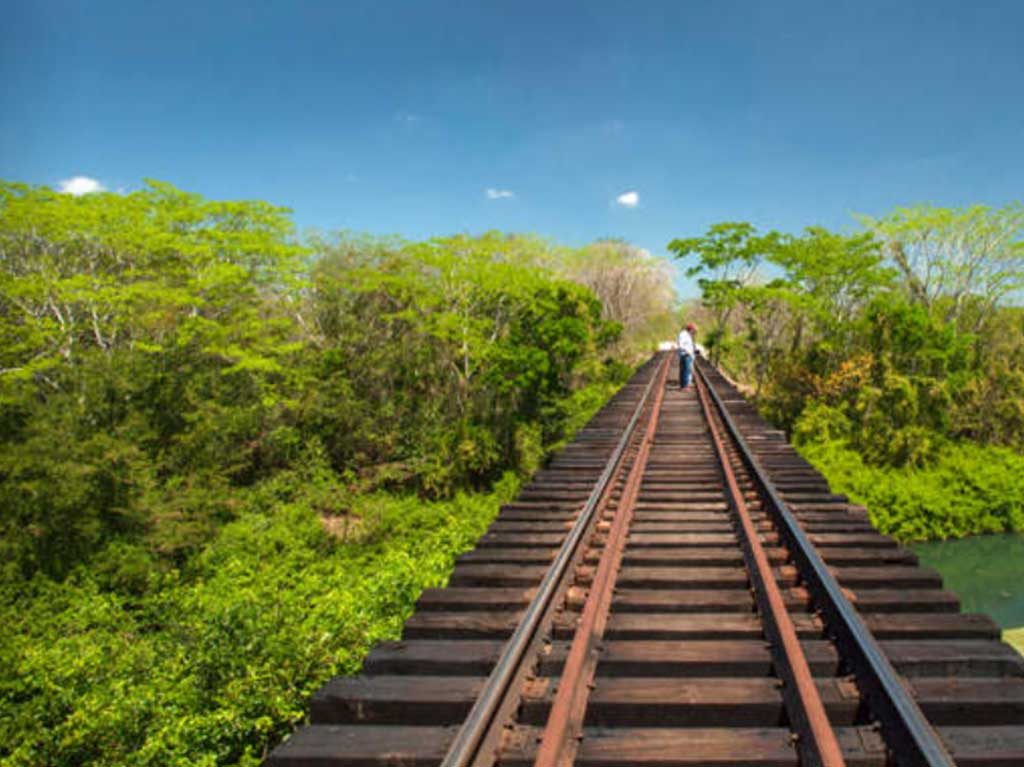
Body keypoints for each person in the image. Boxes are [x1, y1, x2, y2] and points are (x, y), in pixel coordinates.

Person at [677, 322, 697, 389]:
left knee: (685, 370)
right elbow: (681, 345)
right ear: (690, 329)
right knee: (686, 370)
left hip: (687, 355)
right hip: (685, 355)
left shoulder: (688, 335)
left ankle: (685, 385)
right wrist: (687, 351)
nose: (694, 331)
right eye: (693, 330)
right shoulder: (683, 334)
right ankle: (685, 386)